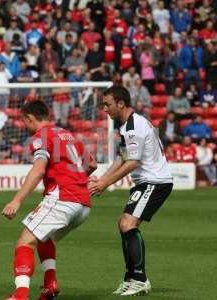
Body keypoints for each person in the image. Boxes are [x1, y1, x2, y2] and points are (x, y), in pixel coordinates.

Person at [2, 100, 97, 300]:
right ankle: (50, 283)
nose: (25, 126)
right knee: (43, 237)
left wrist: (16, 200)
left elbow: (38, 170)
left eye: (24, 121)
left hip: (63, 197)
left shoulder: (40, 137)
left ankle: (20, 295)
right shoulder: (67, 134)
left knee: (25, 242)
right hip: (83, 203)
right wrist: (79, 179)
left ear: (29, 118)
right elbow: (92, 164)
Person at [89, 86, 173, 296]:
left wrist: (104, 184)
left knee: (128, 223)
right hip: (148, 182)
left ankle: (139, 278)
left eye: (107, 104)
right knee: (124, 224)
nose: (105, 109)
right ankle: (131, 277)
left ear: (120, 103)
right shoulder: (129, 125)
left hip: (154, 181)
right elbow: (123, 157)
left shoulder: (134, 126)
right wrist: (103, 178)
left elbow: (132, 163)